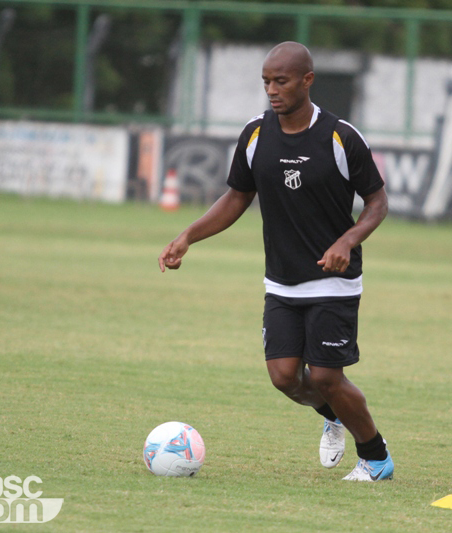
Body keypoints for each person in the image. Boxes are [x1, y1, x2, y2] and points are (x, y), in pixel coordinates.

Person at [158, 41, 393, 482]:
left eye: (280, 81)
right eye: (266, 81)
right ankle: (335, 415)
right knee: (285, 377)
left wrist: (348, 239)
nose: (271, 89)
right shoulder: (255, 134)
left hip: (332, 280)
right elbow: (236, 197)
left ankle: (377, 459)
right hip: (281, 282)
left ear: (307, 80)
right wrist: (188, 235)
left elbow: (377, 202)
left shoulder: (340, 136)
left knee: (326, 377)